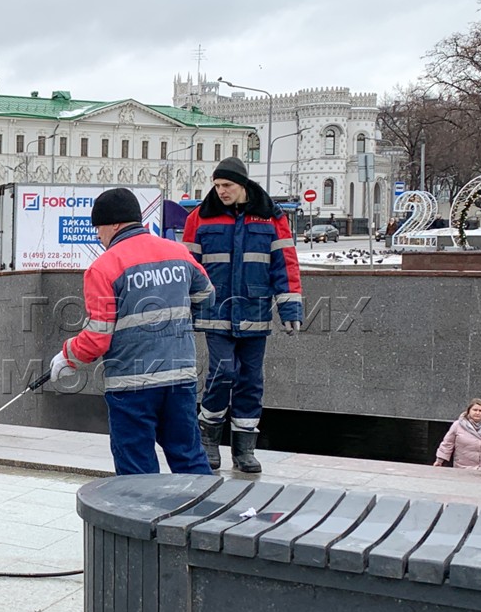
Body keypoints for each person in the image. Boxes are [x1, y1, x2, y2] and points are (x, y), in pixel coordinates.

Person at [51, 187, 213, 476]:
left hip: (131, 385)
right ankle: (207, 516)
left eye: (98, 228)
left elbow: (98, 337)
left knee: (137, 470)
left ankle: (144, 521)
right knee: (189, 457)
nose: (98, 236)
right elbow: (206, 296)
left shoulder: (104, 268)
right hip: (180, 378)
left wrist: (68, 356)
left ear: (113, 224)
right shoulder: (178, 253)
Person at [181, 156, 304, 474]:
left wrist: (290, 307)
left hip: (254, 310)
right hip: (215, 312)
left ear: (243, 184)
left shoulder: (271, 217)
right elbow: (188, 269)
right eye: (217, 185)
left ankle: (244, 449)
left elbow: (285, 264)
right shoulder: (199, 217)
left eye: (227, 185)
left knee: (250, 380)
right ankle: (208, 439)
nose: (221, 191)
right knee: (223, 374)